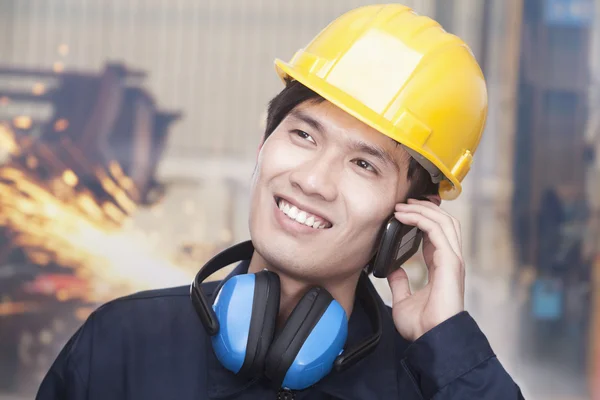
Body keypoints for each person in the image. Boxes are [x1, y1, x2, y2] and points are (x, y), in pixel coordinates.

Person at [36, 4, 524, 399]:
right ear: (263, 146)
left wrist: (450, 350)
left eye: (364, 165)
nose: (312, 180)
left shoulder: (424, 383)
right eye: (304, 135)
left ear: (410, 223)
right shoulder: (123, 344)